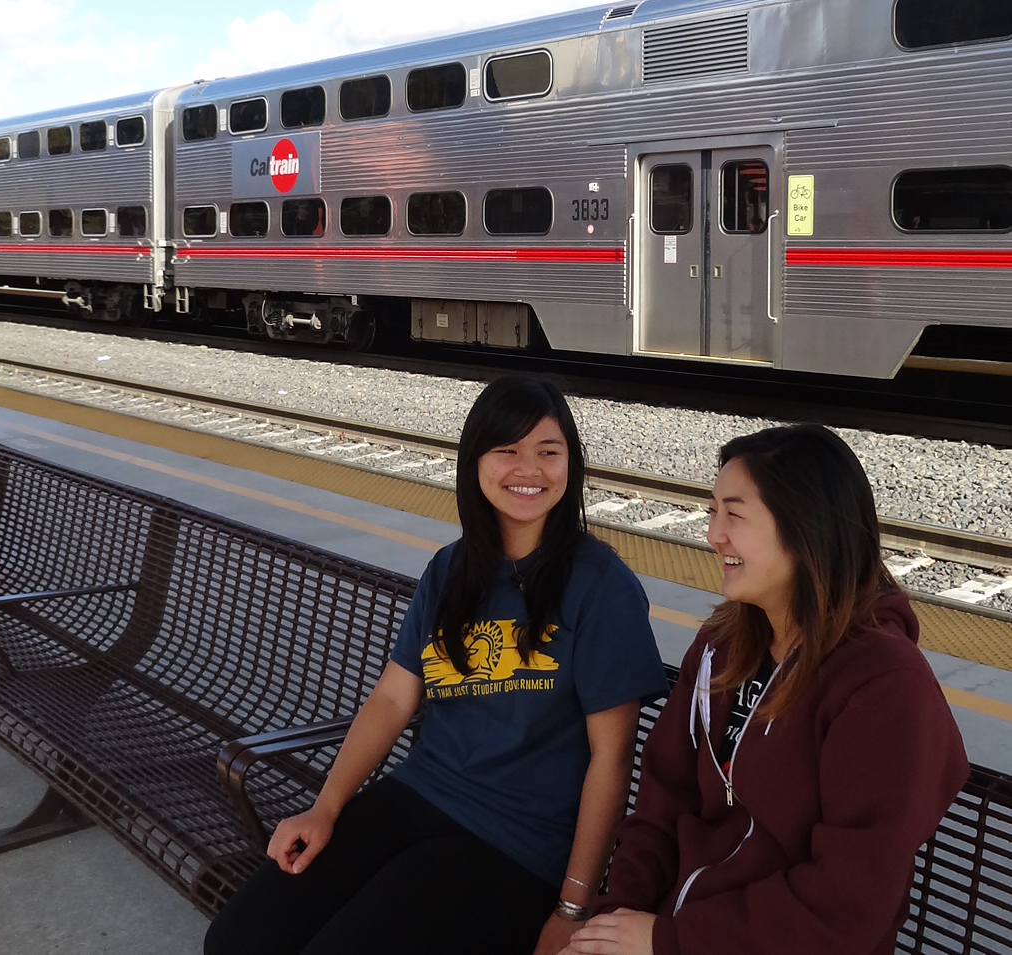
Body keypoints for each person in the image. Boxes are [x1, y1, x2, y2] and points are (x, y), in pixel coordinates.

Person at [205, 375, 668, 955]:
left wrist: (572, 906)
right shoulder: (451, 570)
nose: (530, 469)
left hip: (515, 843)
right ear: (474, 462)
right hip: (418, 796)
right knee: (238, 939)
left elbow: (612, 755)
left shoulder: (600, 585)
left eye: (549, 452)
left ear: (570, 465)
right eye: (508, 451)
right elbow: (393, 699)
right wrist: (324, 810)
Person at [561, 424, 969, 955]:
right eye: (712, 511)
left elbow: (847, 905)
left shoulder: (885, 687)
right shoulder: (721, 646)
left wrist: (668, 939)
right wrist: (611, 921)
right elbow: (662, 808)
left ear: (806, 528)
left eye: (734, 514)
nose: (713, 534)